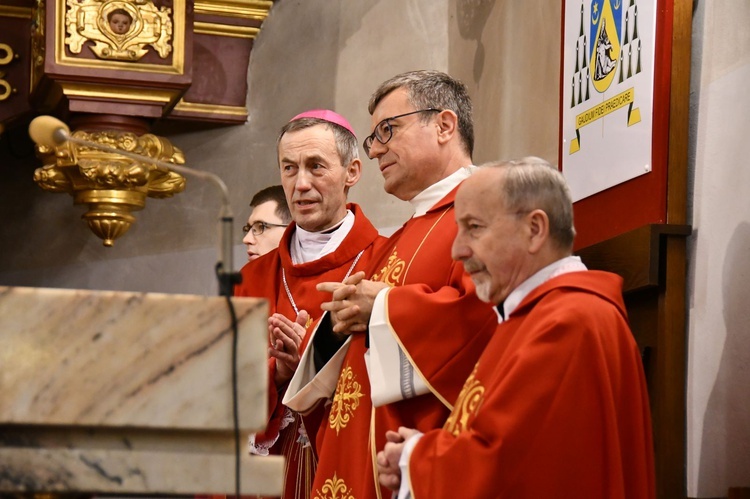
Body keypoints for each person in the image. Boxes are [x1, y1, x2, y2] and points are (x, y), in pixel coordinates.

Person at [376, 158, 655, 498]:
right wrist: (420, 452)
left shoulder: (568, 322)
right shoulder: (536, 316)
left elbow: (509, 468)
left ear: (534, 229)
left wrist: (415, 460)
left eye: (474, 227)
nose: (458, 249)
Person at [282, 70, 497, 499]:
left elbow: (481, 319)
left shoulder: (486, 211)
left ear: (444, 125)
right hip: (358, 455)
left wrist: (382, 307)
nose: (377, 147)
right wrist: (331, 326)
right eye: (373, 137)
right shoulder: (403, 234)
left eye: (388, 130)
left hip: (413, 455)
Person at [233, 109, 387, 499]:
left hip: (347, 464)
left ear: (352, 172)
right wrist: (278, 375)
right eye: (289, 168)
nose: (300, 184)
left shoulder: (386, 260)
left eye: (316, 167)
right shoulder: (253, 277)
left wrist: (310, 361)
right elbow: (224, 387)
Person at [242, 185, 291, 262]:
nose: (246, 239)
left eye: (262, 227)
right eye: (248, 229)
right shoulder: (246, 273)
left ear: (292, 230)